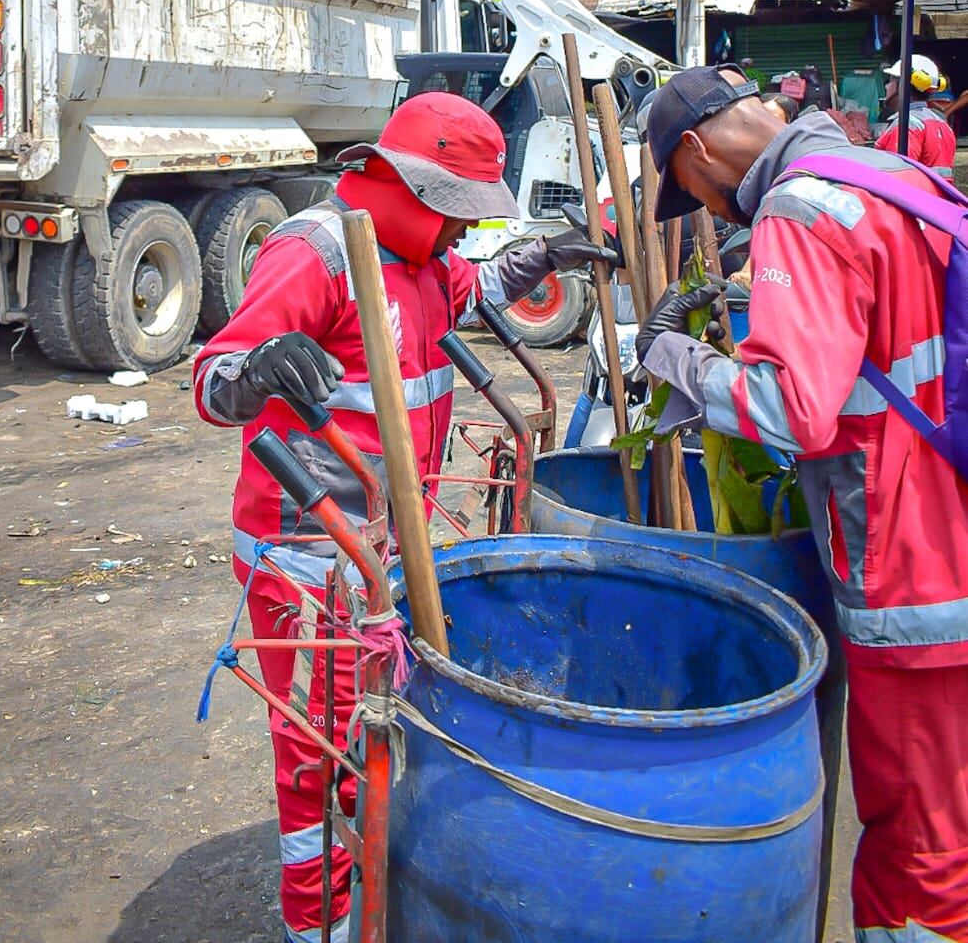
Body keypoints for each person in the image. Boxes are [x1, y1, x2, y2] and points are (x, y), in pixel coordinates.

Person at [193, 91, 614, 943]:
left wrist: (542, 256)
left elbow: (471, 289)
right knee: (317, 754)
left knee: (376, 733)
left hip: (388, 546)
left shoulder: (423, 259)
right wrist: (261, 366)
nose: (466, 231)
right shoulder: (313, 253)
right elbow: (211, 381)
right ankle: (316, 925)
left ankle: (375, 894)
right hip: (309, 556)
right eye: (459, 212)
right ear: (412, 189)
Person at [634, 64, 968, 943]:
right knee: (953, 816)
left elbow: (791, 409)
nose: (711, 208)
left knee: (918, 848)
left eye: (692, 189)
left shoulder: (796, 208)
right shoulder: (889, 173)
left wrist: (672, 355)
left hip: (911, 570)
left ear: (697, 150)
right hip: (953, 525)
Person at [875, 55, 956, 177]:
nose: (886, 86)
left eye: (890, 80)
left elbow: (900, 177)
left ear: (902, 85)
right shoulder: (942, 125)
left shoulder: (906, 126)